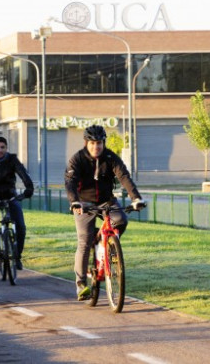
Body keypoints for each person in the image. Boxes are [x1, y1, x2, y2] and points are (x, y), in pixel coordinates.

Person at [66, 125, 146, 301]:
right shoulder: (77, 159)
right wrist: (74, 202)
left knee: (121, 220)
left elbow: (124, 176)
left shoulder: (110, 157)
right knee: (85, 241)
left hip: (106, 200)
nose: (97, 147)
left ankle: (110, 248)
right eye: (93, 143)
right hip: (84, 203)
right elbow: (70, 182)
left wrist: (136, 198)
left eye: (100, 143)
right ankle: (81, 284)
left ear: (104, 143)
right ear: (87, 143)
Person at [0, 136, 34, 270]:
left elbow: (23, 174)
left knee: (20, 226)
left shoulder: (12, 159)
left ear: (6, 148)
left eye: (2, 147)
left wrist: (29, 188)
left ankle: (18, 256)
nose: (0, 150)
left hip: (10, 195)